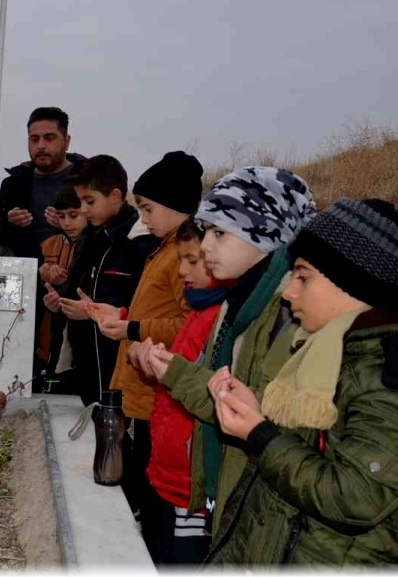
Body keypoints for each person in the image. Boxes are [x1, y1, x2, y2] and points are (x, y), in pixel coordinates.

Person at [206, 199, 398, 565]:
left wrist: (260, 435)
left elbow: (356, 498)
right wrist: (258, 416)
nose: (289, 292)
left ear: (355, 284)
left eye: (303, 277)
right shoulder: (331, 356)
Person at [131, 166, 316, 533]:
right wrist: (176, 372)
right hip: (232, 493)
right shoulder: (239, 302)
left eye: (219, 232)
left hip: (262, 507)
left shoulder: (290, 314)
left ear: (265, 232)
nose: (205, 246)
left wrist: (179, 374)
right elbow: (226, 398)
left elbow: (269, 423)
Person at [91, 151, 205, 526]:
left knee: (151, 496)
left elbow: (187, 324)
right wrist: (122, 315)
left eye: (148, 209)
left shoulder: (182, 255)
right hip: (143, 393)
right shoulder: (163, 250)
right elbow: (157, 310)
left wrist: (132, 329)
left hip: (160, 393)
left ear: (174, 205)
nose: (144, 219)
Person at [133, 219, 229, 564]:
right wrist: (151, 365)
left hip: (192, 487)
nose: (181, 271)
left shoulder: (220, 319)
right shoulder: (199, 311)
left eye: (192, 260)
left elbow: (208, 395)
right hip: (170, 474)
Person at [49, 155, 158, 410]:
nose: (83, 210)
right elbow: (80, 289)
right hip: (84, 366)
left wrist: (91, 312)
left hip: (118, 370)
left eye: (89, 201)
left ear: (116, 196)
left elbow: (146, 308)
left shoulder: (140, 243)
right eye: (81, 202)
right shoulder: (90, 238)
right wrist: (60, 300)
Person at [0, 106, 87, 259]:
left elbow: (106, 230)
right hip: (21, 272)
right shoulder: (12, 185)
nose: (41, 145)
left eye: (49, 138)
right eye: (34, 139)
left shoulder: (88, 182)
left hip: (73, 271)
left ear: (67, 141)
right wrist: (7, 222)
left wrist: (68, 224)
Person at [33, 186, 86, 394]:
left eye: (73, 215)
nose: (67, 223)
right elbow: (34, 299)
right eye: (61, 216)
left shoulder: (94, 246)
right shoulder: (49, 245)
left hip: (79, 347)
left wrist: (64, 286)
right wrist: (42, 280)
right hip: (49, 342)